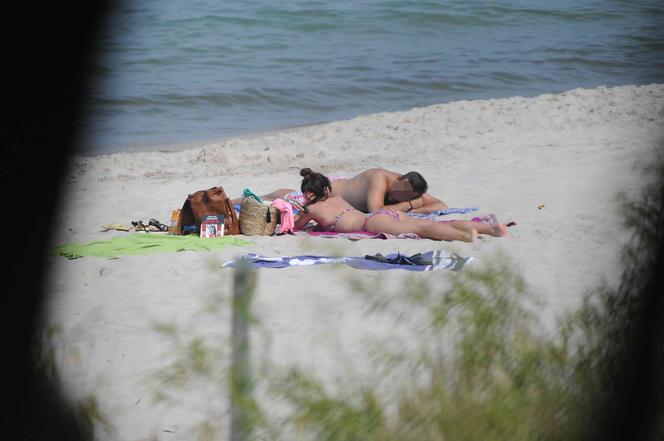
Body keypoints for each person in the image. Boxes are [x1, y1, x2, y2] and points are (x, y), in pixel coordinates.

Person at [294, 169, 508, 242]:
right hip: (384, 214)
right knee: (423, 222)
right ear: (327, 190)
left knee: (423, 229)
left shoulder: (311, 209)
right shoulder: (338, 199)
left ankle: (464, 236)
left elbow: (294, 226)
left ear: (308, 194)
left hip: (373, 222)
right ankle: (490, 228)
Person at [232, 168, 448, 214]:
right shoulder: (380, 179)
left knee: (280, 195)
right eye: (401, 192)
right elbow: (376, 210)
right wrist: (411, 205)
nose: (400, 198)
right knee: (280, 200)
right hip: (329, 191)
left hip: (336, 187)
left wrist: (413, 205)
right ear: (399, 179)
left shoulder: (409, 190)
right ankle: (231, 201)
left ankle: (237, 198)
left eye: (408, 197)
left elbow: (441, 205)